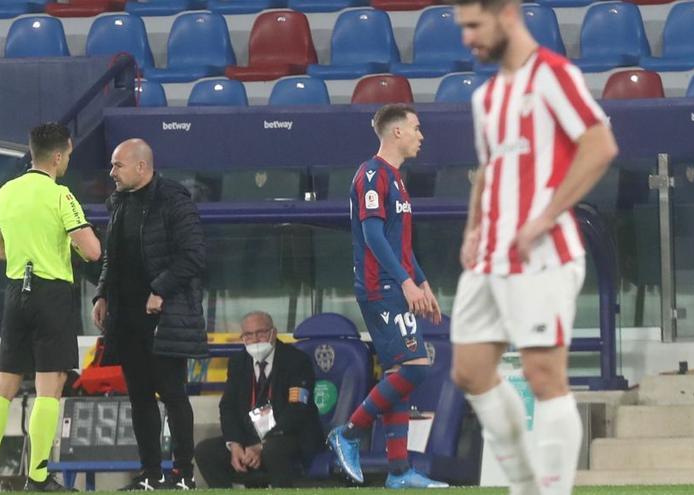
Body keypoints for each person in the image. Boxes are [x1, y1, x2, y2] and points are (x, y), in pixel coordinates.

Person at [448, 0, 619, 493]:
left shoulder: (552, 75)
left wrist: (546, 215)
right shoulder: (487, 96)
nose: (467, 39)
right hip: (490, 254)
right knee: (470, 369)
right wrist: (473, 227)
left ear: (508, 15)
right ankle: (524, 482)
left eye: (474, 26)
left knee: (543, 376)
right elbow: (488, 169)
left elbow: (600, 145)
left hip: (542, 252)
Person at [0, 122, 102, 493]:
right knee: (50, 387)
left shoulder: (5, 193)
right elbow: (93, 250)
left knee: (3, 385)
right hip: (51, 294)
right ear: (60, 155)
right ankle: (39, 477)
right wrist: (69, 245)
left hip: (16, 294)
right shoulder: (61, 196)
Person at [328, 104, 447, 489]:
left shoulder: (396, 179)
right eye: (416, 127)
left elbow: (401, 243)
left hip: (397, 286)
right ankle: (348, 433)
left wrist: (422, 281)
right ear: (396, 132)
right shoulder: (372, 175)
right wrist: (405, 282)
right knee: (416, 367)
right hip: (381, 288)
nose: (421, 135)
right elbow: (375, 237)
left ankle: (399, 472)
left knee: (401, 373)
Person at [91, 138, 207, 490]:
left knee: (172, 393)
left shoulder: (173, 200)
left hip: (163, 315)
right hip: (126, 318)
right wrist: (102, 294)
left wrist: (161, 289)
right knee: (139, 396)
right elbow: (112, 256)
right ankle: (151, 474)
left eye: (118, 165)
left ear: (142, 167)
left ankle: (183, 474)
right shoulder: (119, 204)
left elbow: (194, 254)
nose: (111, 172)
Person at [194, 311, 323, 488]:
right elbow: (228, 406)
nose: (255, 339)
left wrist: (261, 445)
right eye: (248, 334)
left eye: (260, 332)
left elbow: (297, 409)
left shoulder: (296, 360)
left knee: (273, 450)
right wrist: (235, 444)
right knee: (205, 451)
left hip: (290, 436)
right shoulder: (238, 361)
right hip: (250, 439)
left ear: (273, 333)